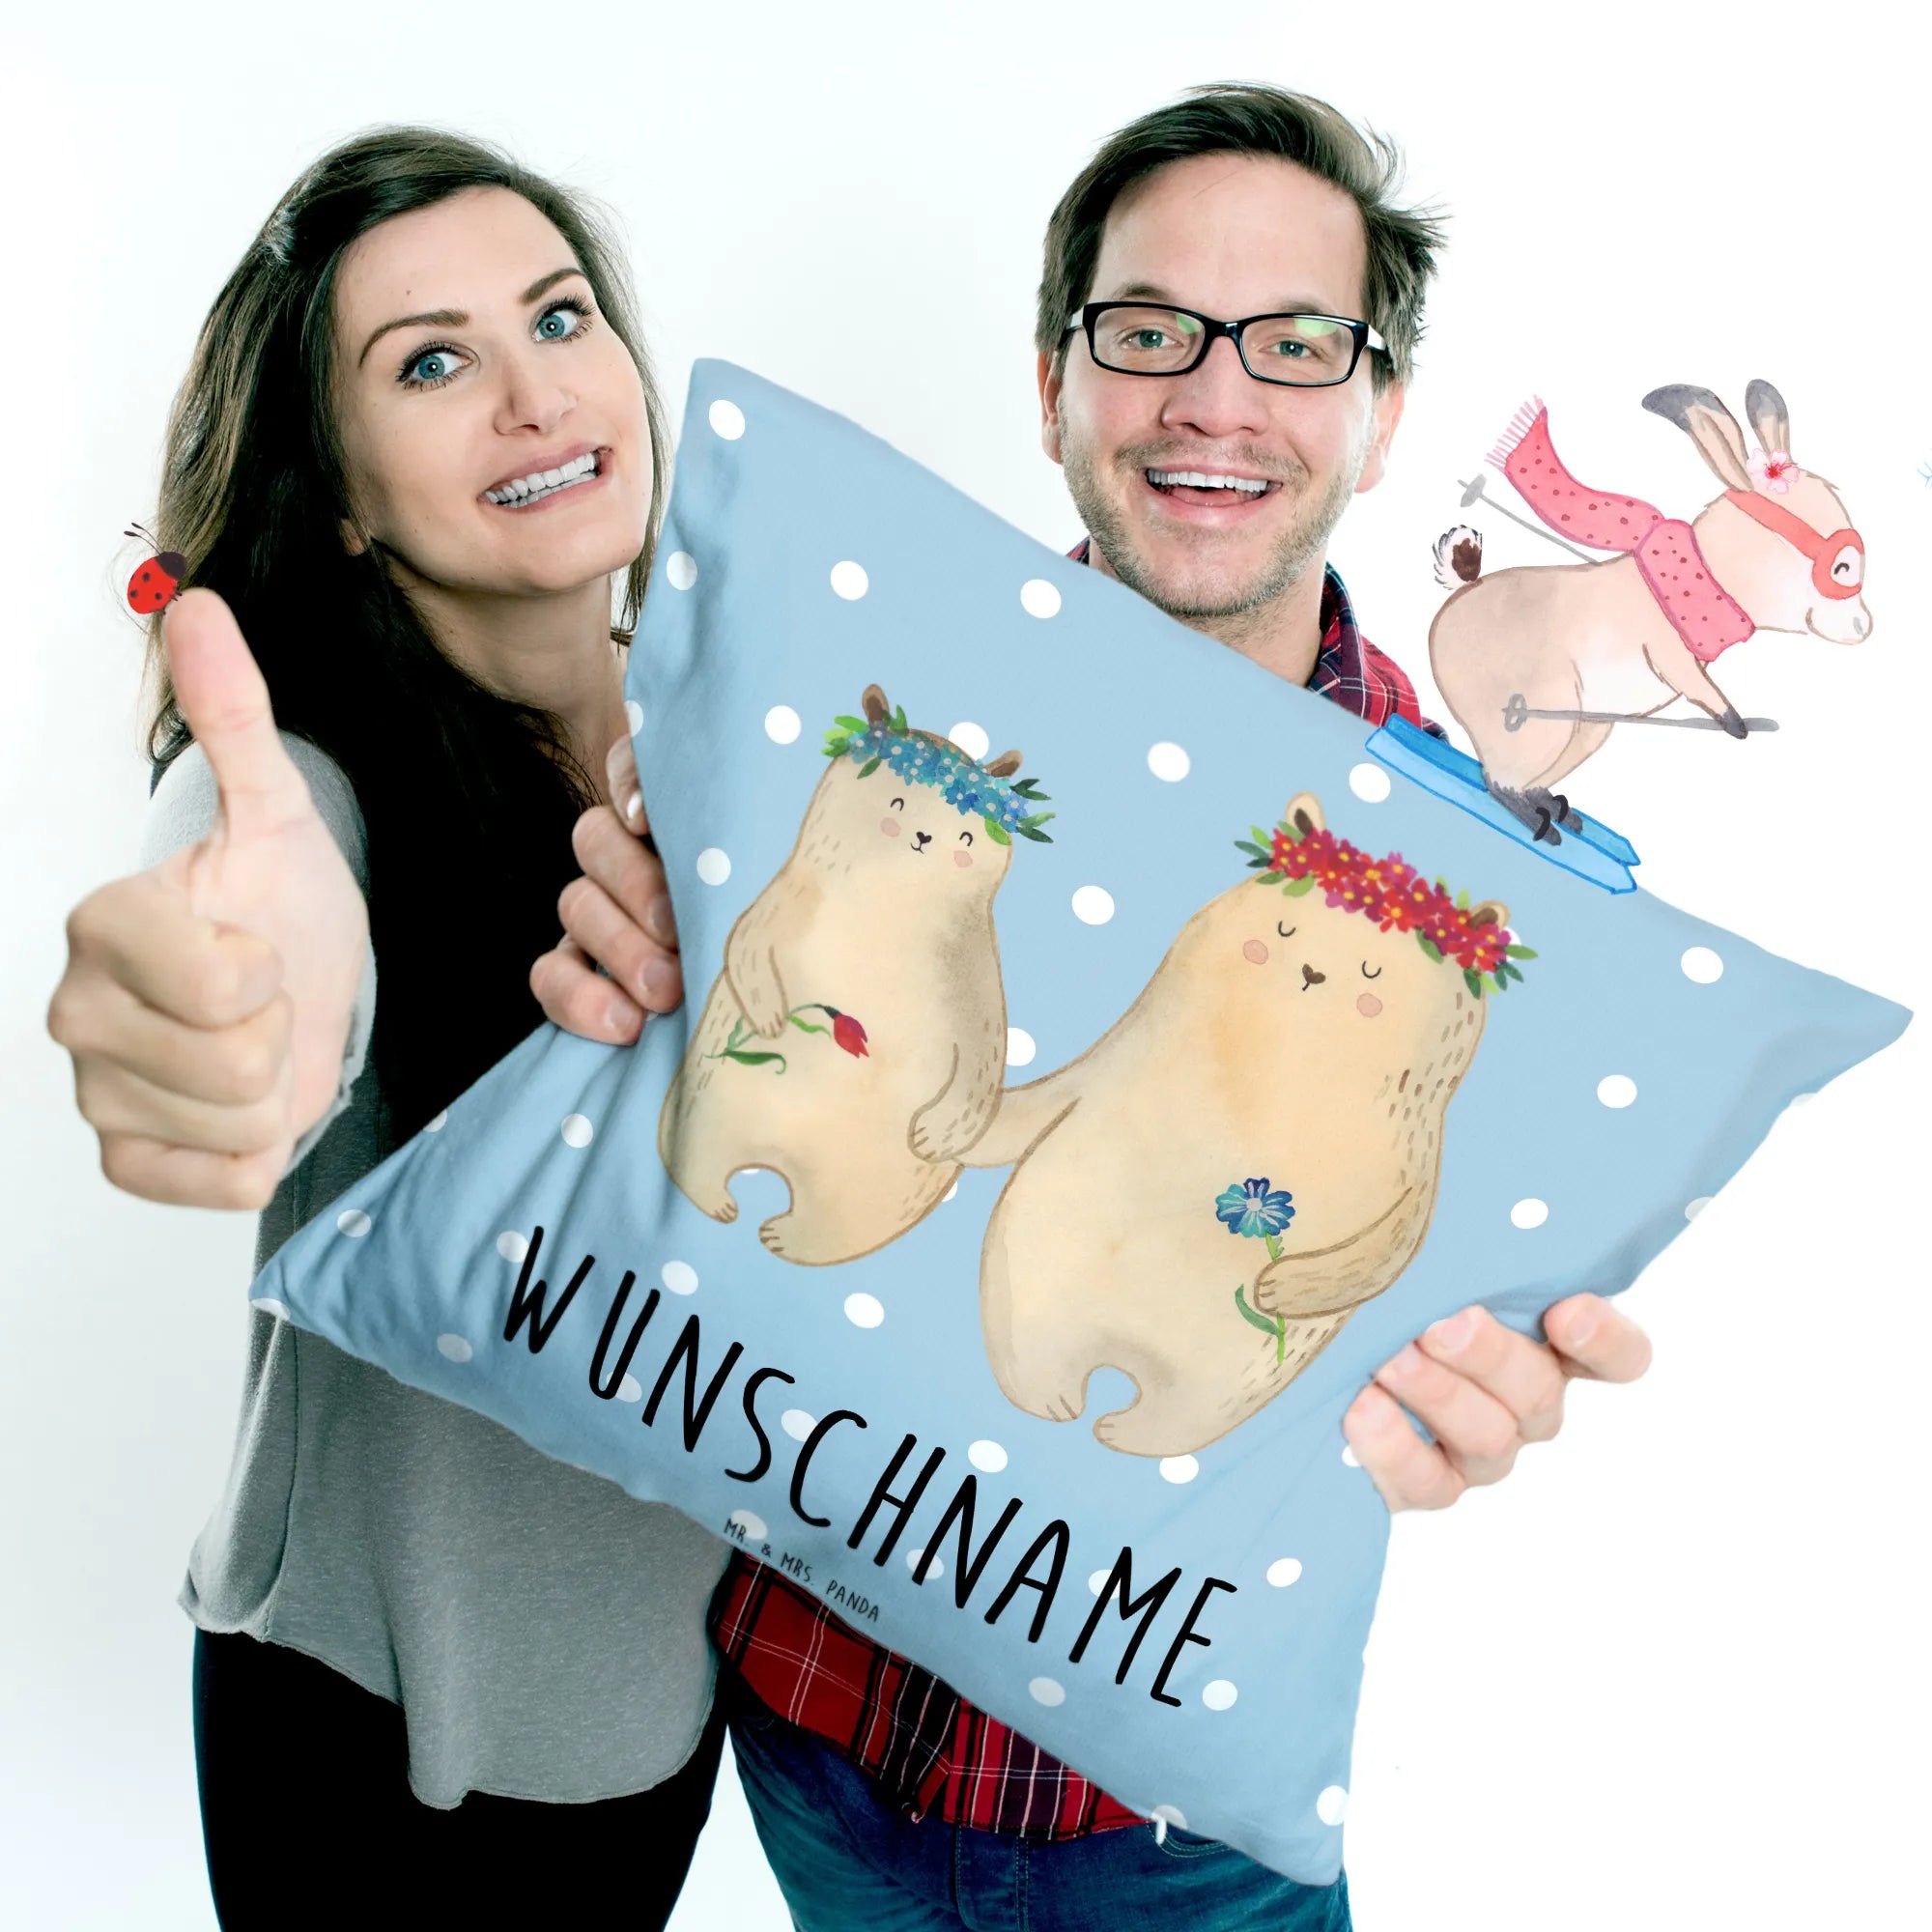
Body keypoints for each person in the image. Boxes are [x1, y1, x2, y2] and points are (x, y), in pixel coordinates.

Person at [534, 84, 1655, 1930]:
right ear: (1054, 384)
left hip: (1182, 1823)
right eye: (1150, 333)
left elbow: (1430, 1288)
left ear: (1380, 419)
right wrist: (634, 982)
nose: (1216, 398)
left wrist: (1474, 1389)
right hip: (808, 1742)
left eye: (1296, 343)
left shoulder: (1482, 895)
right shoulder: (848, 712)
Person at [45, 130, 724, 1927]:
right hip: (378, 1736)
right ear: (341, 496)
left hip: (661, 1707)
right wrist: (223, 1000)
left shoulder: (735, 743)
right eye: (430, 363)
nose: (532, 395)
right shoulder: (308, 783)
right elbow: (254, 899)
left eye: (558, 318)